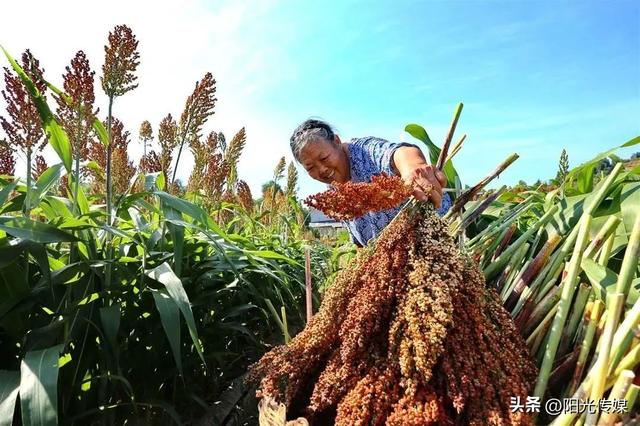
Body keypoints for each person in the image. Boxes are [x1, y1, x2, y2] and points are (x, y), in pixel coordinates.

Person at [290, 118, 452, 247]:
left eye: (324, 158)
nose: (322, 169)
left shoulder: (364, 151)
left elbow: (401, 153)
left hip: (437, 242)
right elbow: (360, 242)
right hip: (398, 268)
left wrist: (414, 169)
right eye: (310, 167)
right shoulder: (334, 192)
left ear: (337, 142)